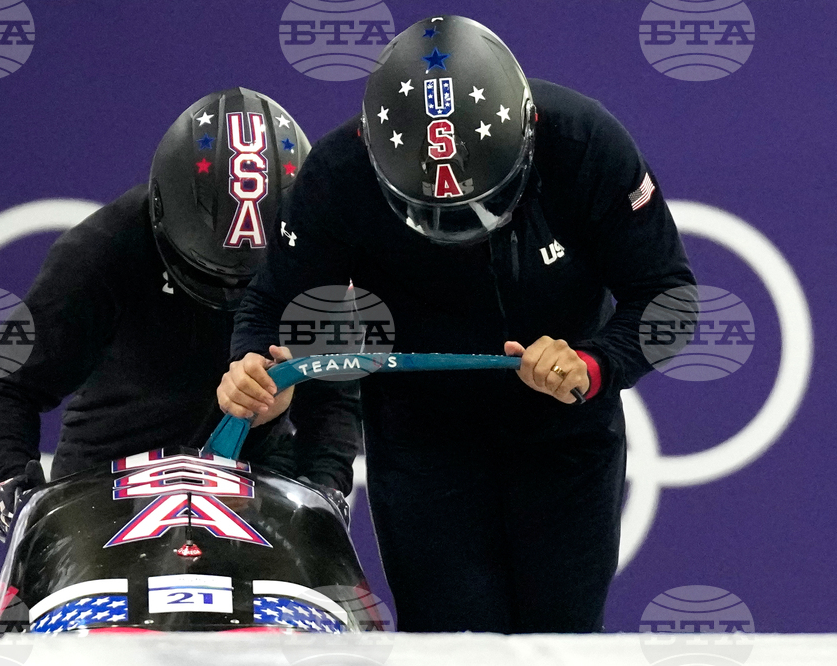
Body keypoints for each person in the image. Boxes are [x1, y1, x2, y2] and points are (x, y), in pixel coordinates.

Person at [218, 17, 697, 633]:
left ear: (527, 135)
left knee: (561, 639)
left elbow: (669, 299)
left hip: (563, 433)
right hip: (424, 439)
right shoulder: (338, 176)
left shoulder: (586, 144)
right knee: (452, 638)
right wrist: (255, 367)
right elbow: (270, 303)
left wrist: (593, 362)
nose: (462, 230)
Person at [0, 88, 360, 542]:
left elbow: (333, 399)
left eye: (251, 281)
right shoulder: (102, 253)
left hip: (255, 484)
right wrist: (15, 484)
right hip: (105, 483)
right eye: (208, 272)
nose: (231, 294)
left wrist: (322, 491)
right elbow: (8, 384)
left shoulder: (312, 255)